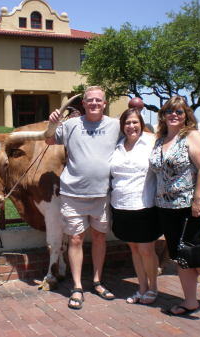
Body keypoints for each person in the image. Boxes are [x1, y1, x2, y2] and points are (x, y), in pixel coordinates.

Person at [46, 86, 120, 310]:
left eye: (99, 100)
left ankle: (97, 281)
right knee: (76, 239)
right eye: (90, 100)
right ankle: (77, 287)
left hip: (102, 193)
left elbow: (135, 138)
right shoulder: (70, 125)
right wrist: (52, 123)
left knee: (99, 238)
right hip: (73, 193)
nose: (94, 103)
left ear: (104, 104)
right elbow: (49, 140)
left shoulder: (116, 125)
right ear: (84, 104)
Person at [149, 96, 200, 316]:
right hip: (166, 209)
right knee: (181, 256)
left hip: (194, 206)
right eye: (169, 111)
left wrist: (198, 199)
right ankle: (189, 301)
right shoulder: (160, 140)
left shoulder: (192, 136)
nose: (174, 115)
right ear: (163, 115)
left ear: (186, 115)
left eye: (179, 112)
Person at [109, 108, 161, 305]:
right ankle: (141, 287)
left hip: (144, 205)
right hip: (121, 205)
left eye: (135, 122)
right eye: (127, 123)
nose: (131, 126)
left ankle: (153, 287)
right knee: (134, 249)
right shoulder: (117, 146)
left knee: (147, 250)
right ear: (122, 126)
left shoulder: (151, 142)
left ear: (141, 124)